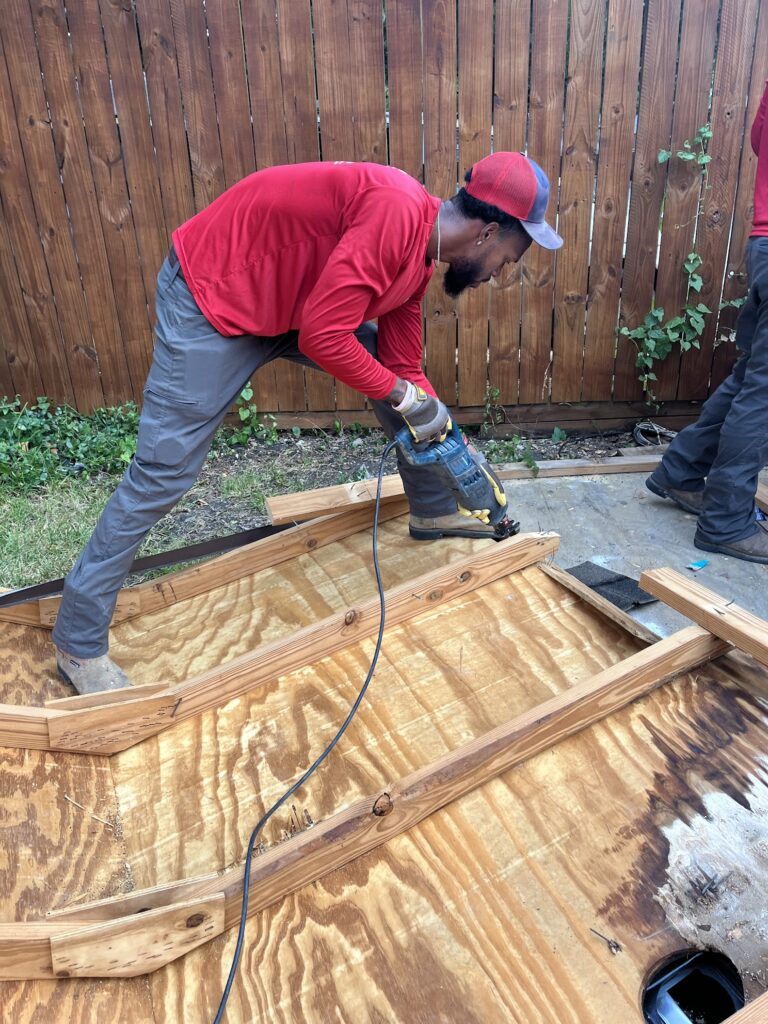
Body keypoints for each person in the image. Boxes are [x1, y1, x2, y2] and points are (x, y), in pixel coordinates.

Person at [52, 152, 563, 694]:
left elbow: (403, 369)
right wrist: (404, 396)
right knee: (164, 471)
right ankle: (78, 644)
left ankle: (435, 510)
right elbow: (325, 337)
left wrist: (450, 441)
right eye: (513, 254)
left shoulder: (418, 256)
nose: (506, 269)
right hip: (215, 294)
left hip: (290, 301)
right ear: (487, 233)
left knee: (390, 374)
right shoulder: (395, 213)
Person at [645, 82, 768, 563]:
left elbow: (760, 142)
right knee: (762, 394)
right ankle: (727, 522)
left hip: (763, 245)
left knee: (749, 381)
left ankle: (680, 472)